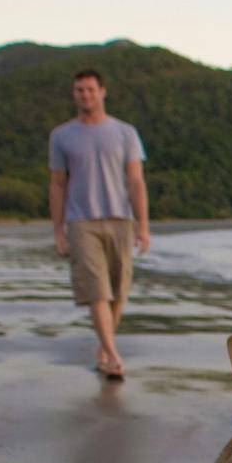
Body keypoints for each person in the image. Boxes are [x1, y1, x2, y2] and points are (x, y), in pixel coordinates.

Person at [49, 68, 149, 379]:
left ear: (102, 92)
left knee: (118, 292)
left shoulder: (124, 132)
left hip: (120, 219)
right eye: (80, 90)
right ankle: (112, 355)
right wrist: (58, 231)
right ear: (74, 94)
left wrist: (143, 225)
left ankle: (104, 347)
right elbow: (57, 184)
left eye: (91, 89)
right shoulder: (62, 135)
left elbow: (135, 180)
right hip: (81, 222)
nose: (85, 95)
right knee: (97, 291)